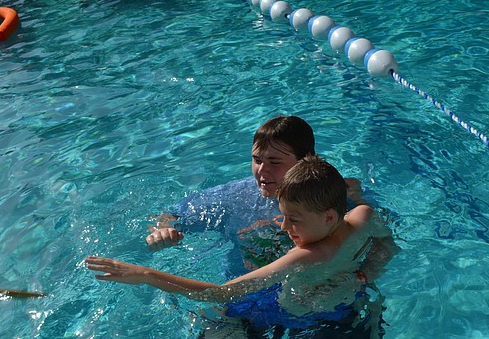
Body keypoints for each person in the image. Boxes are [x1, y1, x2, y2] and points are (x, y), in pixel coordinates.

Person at [87, 155, 395, 339]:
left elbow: (220, 293)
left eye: (293, 219)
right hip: (301, 304)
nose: (285, 228)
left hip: (302, 309)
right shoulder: (361, 216)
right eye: (283, 215)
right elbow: (386, 240)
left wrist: (144, 274)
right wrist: (368, 271)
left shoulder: (307, 256)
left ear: (328, 217)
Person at [145, 115, 367, 276]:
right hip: (245, 295)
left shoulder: (335, 193)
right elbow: (170, 215)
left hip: (315, 292)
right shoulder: (234, 196)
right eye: (257, 160)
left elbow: (377, 234)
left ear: (306, 158)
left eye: (274, 162)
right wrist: (161, 231)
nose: (261, 171)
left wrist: (367, 273)